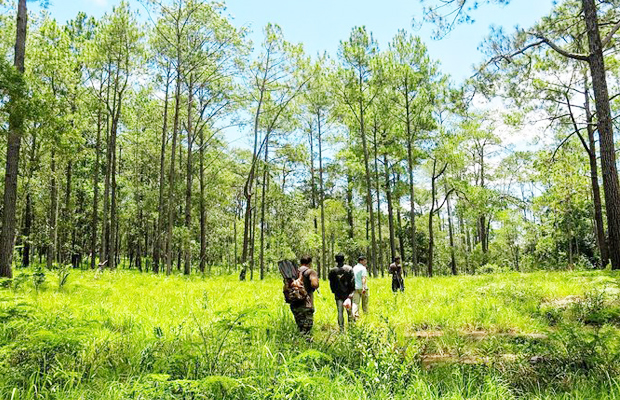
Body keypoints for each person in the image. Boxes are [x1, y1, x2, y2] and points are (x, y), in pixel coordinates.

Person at [288, 255, 319, 335]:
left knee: (300, 326)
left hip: (294, 303)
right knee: (307, 329)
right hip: (306, 304)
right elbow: (314, 284)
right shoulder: (310, 272)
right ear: (309, 263)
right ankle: (305, 345)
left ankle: (300, 344)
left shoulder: (293, 272)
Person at [328, 253, 355, 330]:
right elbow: (353, 282)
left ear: (336, 260)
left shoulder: (332, 271)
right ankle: (351, 329)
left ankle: (341, 329)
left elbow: (331, 283)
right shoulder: (349, 269)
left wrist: (334, 291)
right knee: (349, 312)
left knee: (340, 312)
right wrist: (351, 293)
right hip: (348, 295)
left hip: (338, 294)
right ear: (344, 259)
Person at [352, 255, 369, 320]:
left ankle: (355, 317)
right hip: (362, 288)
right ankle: (366, 316)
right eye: (364, 261)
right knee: (365, 303)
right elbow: (363, 278)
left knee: (355, 303)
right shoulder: (363, 268)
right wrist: (364, 287)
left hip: (355, 288)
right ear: (361, 261)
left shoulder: (354, 268)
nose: (365, 262)